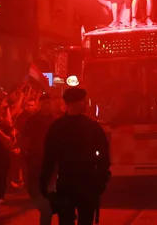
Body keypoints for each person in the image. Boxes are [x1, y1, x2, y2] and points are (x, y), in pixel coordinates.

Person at [40, 88, 110, 225]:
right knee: (84, 220)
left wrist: (44, 182)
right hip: (84, 182)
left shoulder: (57, 127)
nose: (85, 104)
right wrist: (102, 179)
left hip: (70, 182)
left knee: (66, 220)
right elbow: (103, 156)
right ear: (73, 103)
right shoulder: (92, 127)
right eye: (82, 101)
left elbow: (49, 158)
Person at [22, 93, 57, 225]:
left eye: (49, 103)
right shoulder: (32, 121)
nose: (47, 106)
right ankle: (45, 210)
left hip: (51, 165)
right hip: (35, 163)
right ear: (40, 105)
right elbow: (25, 140)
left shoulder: (55, 121)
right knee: (34, 191)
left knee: (48, 198)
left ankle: (46, 215)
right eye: (44, 103)